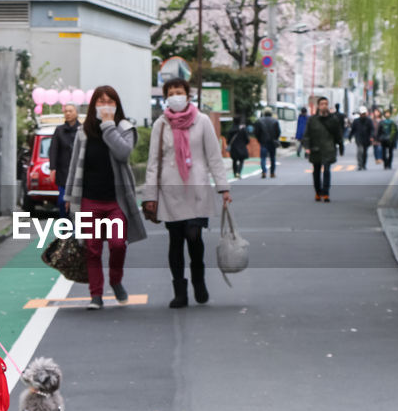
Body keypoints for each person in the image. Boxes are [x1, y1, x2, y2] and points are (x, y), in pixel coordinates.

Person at [142, 78, 232, 308]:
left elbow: (214, 156)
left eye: (179, 92)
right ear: (166, 98)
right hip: (170, 190)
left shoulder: (201, 122)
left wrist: (223, 188)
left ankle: (199, 281)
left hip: (196, 187)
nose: (175, 96)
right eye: (171, 92)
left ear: (188, 95)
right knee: (175, 240)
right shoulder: (160, 125)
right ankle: (179, 291)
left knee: (194, 235)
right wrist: (150, 196)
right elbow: (153, 162)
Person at [64, 86, 147, 309]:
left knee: (118, 244)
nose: (105, 105)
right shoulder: (84, 132)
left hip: (116, 201)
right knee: (92, 248)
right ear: (93, 106)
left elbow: (123, 153)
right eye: (100, 101)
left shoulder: (124, 128)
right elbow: (75, 165)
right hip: (89, 198)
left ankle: (116, 280)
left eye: (110, 101)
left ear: (117, 105)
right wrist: (70, 194)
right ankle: (96, 295)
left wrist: (109, 125)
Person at [302, 97, 343, 202]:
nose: (324, 106)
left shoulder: (333, 119)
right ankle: (318, 192)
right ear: (318, 106)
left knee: (327, 170)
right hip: (316, 149)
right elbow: (307, 134)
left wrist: (341, 145)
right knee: (316, 171)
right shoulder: (312, 120)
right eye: (322, 104)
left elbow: (338, 134)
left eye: (326, 104)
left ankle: (326, 193)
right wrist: (307, 147)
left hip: (328, 148)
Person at [46, 103, 80, 216]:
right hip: (63, 172)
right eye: (66, 111)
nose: (68, 113)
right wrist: (52, 168)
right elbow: (53, 150)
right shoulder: (59, 130)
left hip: (79, 172)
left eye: (71, 111)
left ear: (76, 112)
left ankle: (78, 228)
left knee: (78, 202)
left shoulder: (82, 130)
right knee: (62, 201)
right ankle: (65, 228)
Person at [254, 107, 281, 178]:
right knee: (272, 157)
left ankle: (264, 172)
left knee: (263, 157)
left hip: (263, 141)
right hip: (272, 142)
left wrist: (259, 139)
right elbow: (278, 132)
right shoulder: (275, 121)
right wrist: (275, 138)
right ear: (271, 113)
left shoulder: (259, 121)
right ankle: (272, 173)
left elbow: (256, 132)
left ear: (264, 113)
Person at [350, 106, 375, 171]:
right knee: (360, 151)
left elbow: (372, 129)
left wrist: (372, 136)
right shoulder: (356, 121)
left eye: (364, 113)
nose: (363, 115)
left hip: (367, 139)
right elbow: (353, 130)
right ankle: (360, 165)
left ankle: (364, 164)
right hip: (359, 139)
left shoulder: (369, 120)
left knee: (365, 153)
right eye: (362, 114)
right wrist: (350, 137)